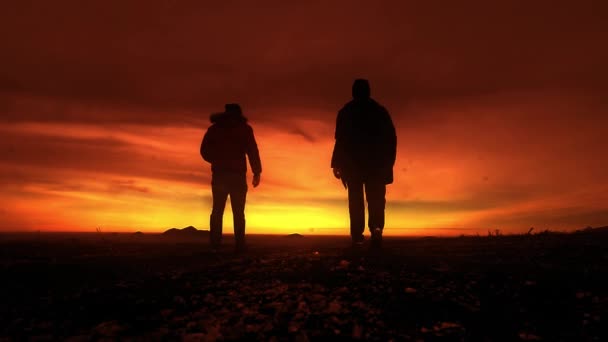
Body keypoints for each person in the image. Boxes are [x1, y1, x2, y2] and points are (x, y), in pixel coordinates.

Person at [331, 79, 397, 248]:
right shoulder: (379, 112)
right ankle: (374, 230)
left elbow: (340, 140)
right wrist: (388, 163)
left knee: (357, 200)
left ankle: (359, 234)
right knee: (373, 199)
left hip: (356, 165)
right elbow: (391, 139)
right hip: (373, 165)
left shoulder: (346, 112)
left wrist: (336, 163)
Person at [200, 103, 262, 252]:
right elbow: (252, 151)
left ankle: (216, 244)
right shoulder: (244, 130)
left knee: (218, 210)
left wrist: (216, 159)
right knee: (237, 212)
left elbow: (204, 151)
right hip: (236, 176)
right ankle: (239, 245)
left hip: (221, 175)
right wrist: (256, 172)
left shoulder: (215, 129)